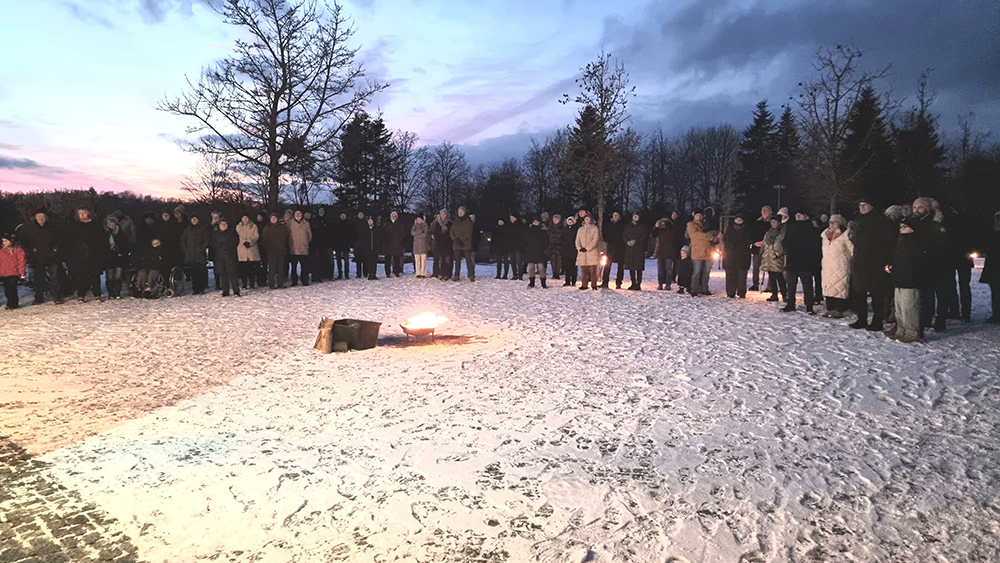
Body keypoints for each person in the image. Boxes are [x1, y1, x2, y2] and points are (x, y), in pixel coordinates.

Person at [849, 197, 897, 331]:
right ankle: (861, 319)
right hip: (860, 261)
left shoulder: (883, 221)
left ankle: (877, 321)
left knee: (877, 293)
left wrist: (886, 261)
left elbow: (890, 242)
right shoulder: (859, 221)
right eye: (860, 205)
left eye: (865, 205)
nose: (862, 208)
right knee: (859, 292)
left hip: (876, 262)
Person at [887, 218, 927, 343]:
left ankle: (911, 332)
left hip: (910, 280)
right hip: (899, 278)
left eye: (905, 227)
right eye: (901, 227)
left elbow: (918, 262)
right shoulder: (900, 241)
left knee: (909, 308)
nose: (902, 229)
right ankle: (901, 329)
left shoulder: (917, 242)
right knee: (899, 307)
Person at [18, 209, 62, 304]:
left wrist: (55, 249)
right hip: (37, 257)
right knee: (39, 279)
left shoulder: (54, 227)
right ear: (35, 217)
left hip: (52, 256)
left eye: (42, 216)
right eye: (38, 216)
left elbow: (60, 239)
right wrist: (31, 250)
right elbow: (24, 241)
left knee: (54, 277)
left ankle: (56, 296)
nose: (40, 218)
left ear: (46, 217)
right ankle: (39, 298)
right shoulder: (30, 228)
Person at [781, 210, 822, 314]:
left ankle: (809, 305)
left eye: (800, 215)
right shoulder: (792, 227)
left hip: (806, 261)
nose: (797, 216)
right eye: (797, 215)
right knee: (791, 284)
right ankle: (790, 303)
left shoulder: (811, 229)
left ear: (806, 217)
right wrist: (787, 250)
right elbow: (785, 242)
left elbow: (815, 245)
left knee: (807, 285)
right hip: (793, 259)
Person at [65, 208, 107, 302]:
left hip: (94, 254)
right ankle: (81, 295)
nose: (82, 215)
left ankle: (97, 294)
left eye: (84, 213)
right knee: (80, 276)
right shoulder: (75, 226)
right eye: (80, 213)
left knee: (94, 275)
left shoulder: (96, 225)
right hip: (79, 255)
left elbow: (102, 241)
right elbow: (70, 241)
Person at [820, 215, 854, 318]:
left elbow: (852, 250)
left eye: (835, 222)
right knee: (828, 287)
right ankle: (830, 309)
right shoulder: (825, 235)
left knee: (840, 287)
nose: (832, 224)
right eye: (831, 222)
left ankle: (839, 309)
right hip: (827, 265)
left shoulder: (846, 235)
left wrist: (845, 260)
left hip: (840, 266)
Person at [722, 213, 753, 298]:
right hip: (730, 255)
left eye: (740, 219)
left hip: (743, 255)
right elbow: (726, 240)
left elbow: (748, 240)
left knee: (742, 276)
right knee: (730, 275)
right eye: (737, 219)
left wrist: (743, 245)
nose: (739, 220)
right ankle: (730, 292)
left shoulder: (747, 229)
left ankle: (741, 292)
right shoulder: (729, 229)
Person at [686, 210, 715, 297]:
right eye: (697, 215)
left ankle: (704, 289)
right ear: (694, 216)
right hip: (697, 252)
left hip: (708, 251)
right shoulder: (691, 224)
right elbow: (694, 235)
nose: (699, 217)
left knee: (706, 272)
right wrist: (708, 236)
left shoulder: (706, 224)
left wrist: (712, 234)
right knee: (696, 271)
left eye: (700, 215)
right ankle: (694, 289)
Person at [210, 219, 240, 297]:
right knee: (223, 274)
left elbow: (235, 242)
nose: (223, 226)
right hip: (220, 256)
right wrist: (219, 246)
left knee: (232, 274)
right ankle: (225, 290)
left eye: (225, 224)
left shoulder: (232, 232)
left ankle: (236, 290)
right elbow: (212, 243)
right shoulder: (215, 233)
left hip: (230, 256)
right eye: (221, 224)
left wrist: (226, 246)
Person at [181, 215, 210, 294]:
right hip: (190, 254)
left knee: (201, 272)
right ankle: (195, 289)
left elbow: (206, 240)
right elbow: (183, 240)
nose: (194, 220)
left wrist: (202, 248)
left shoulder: (203, 228)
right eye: (192, 219)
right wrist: (186, 250)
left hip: (200, 254)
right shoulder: (187, 229)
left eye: (195, 219)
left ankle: (201, 288)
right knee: (193, 273)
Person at [760, 217, 787, 302]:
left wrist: (778, 253)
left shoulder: (782, 232)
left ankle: (784, 294)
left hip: (777, 257)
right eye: (771, 222)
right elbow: (764, 243)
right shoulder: (768, 232)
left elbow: (784, 244)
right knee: (771, 277)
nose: (772, 223)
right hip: (768, 257)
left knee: (779, 277)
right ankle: (774, 294)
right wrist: (762, 252)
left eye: (774, 222)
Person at [260, 213, 289, 289]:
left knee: (280, 268)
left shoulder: (282, 227)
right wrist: (268, 247)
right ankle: (271, 283)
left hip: (281, 250)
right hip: (271, 251)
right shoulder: (267, 227)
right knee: (272, 269)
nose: (273, 219)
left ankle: (280, 283)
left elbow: (286, 237)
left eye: (274, 218)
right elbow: (263, 239)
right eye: (272, 218)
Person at [104, 216, 130, 299]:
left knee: (118, 276)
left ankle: (117, 293)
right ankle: (111, 293)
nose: (111, 225)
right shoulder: (105, 234)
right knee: (109, 277)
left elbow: (125, 245)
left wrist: (122, 253)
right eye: (109, 223)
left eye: (112, 223)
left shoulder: (121, 234)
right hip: (108, 257)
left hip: (119, 257)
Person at [652, 216, 681, 291]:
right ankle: (660, 283)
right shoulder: (659, 230)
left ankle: (668, 284)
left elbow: (674, 238)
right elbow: (653, 234)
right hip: (661, 251)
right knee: (660, 269)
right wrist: (656, 227)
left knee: (668, 269)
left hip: (669, 252)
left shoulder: (671, 230)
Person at [982, 210, 1000, 324]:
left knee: (996, 292)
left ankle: (997, 314)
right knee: (995, 292)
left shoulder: (993, 235)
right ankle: (997, 314)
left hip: (995, 268)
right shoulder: (993, 235)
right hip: (994, 268)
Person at [622, 213, 649, 291]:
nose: (635, 217)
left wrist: (636, 241)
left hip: (639, 249)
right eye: (634, 216)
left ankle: (638, 283)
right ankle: (633, 282)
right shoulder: (628, 226)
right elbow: (624, 235)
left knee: (638, 267)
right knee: (631, 267)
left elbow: (644, 236)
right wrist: (627, 241)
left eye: (637, 216)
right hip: (630, 249)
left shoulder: (642, 226)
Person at [601, 211, 627, 289]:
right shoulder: (608, 225)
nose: (615, 217)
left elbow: (624, 235)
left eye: (617, 215)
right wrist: (609, 240)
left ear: (619, 217)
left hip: (620, 247)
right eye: (614, 215)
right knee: (607, 265)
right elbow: (604, 234)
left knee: (620, 266)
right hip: (611, 247)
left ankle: (618, 282)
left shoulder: (622, 225)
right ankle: (605, 282)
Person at [287, 210, 312, 286]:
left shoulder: (306, 223)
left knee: (304, 266)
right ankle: (294, 281)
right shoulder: (290, 223)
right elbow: (287, 235)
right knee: (293, 267)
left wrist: (305, 242)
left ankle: (305, 280)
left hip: (303, 248)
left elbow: (309, 235)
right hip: (293, 248)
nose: (298, 215)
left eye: (299, 213)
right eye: (296, 213)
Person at [0, 234, 26, 309]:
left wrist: (21, 272)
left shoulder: (18, 250)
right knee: (7, 289)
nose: (4, 243)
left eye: (6, 241)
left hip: (13, 273)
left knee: (12, 289)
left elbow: (21, 261)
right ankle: (10, 302)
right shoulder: (2, 251)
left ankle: (13, 303)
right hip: (4, 273)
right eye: (3, 241)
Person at [750, 206, 773, 291]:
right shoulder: (757, 222)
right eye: (763, 210)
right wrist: (754, 242)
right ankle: (755, 284)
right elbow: (753, 234)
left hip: (768, 248)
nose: (764, 212)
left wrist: (765, 242)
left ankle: (770, 286)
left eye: (766, 211)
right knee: (756, 266)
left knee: (770, 267)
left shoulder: (772, 222)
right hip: (758, 248)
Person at [575, 215, 601, 290]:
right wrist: (579, 248)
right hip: (582, 253)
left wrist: (587, 248)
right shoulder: (581, 229)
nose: (587, 220)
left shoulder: (595, 228)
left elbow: (595, 240)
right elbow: (577, 240)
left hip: (591, 252)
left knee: (593, 270)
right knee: (584, 270)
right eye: (585, 218)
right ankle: (584, 284)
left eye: (588, 218)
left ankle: (594, 284)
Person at [236, 214, 261, 290]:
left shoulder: (254, 226)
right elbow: (239, 236)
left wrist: (250, 242)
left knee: (251, 268)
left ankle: (252, 283)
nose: (245, 219)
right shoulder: (238, 227)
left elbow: (256, 236)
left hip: (251, 249)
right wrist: (244, 242)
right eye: (243, 217)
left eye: (246, 217)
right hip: (242, 249)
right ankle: (244, 283)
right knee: (243, 269)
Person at [450, 206, 475, 281]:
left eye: (461, 211)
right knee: (457, 261)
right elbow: (451, 231)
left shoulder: (468, 221)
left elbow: (468, 232)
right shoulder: (455, 221)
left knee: (468, 260)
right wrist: (455, 239)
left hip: (465, 243)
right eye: (459, 211)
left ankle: (471, 275)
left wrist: (461, 239)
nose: (460, 213)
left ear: (464, 212)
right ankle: (456, 275)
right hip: (456, 243)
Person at [524, 217, 549, 288]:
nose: (535, 223)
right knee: (531, 268)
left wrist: (543, 249)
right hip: (530, 251)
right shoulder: (528, 232)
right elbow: (524, 241)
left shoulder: (543, 232)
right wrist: (526, 249)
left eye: (537, 222)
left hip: (540, 252)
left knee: (541, 268)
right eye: (534, 221)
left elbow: (546, 242)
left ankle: (543, 283)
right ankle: (532, 283)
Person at [384, 211, 407, 277]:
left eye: (395, 216)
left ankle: (396, 272)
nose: (393, 217)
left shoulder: (400, 224)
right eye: (392, 215)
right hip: (388, 244)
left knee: (396, 259)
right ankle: (387, 273)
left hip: (397, 244)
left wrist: (399, 240)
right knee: (387, 259)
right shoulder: (387, 224)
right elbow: (384, 234)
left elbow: (403, 234)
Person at [431, 211, 452, 280]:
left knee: (447, 260)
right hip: (439, 244)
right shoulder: (437, 223)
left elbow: (451, 233)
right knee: (441, 259)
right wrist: (437, 238)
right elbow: (435, 232)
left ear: (446, 215)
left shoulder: (449, 223)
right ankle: (442, 273)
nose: (443, 215)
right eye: (441, 214)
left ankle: (447, 274)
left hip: (447, 244)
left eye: (444, 214)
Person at [332, 212, 353, 279]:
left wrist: (349, 242)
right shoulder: (336, 224)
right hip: (338, 245)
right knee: (338, 260)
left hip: (346, 245)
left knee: (346, 260)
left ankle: (347, 274)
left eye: (344, 215)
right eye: (342, 215)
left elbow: (351, 234)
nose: (343, 216)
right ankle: (340, 273)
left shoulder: (348, 224)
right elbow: (334, 235)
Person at [506, 214, 525, 280]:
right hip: (511, 246)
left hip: (518, 246)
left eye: (512, 217)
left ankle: (520, 275)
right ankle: (515, 274)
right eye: (510, 218)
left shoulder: (520, 226)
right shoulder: (509, 226)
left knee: (519, 261)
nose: (511, 219)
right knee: (512, 261)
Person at [561, 216, 579, 287]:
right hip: (566, 250)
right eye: (569, 221)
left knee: (573, 266)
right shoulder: (564, 230)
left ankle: (574, 280)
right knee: (567, 266)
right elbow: (562, 239)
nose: (570, 223)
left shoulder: (576, 229)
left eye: (571, 221)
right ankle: (567, 281)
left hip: (574, 250)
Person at [547, 214, 564, 280]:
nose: (555, 220)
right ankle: (554, 273)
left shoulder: (562, 227)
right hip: (552, 246)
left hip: (559, 246)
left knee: (559, 260)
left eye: (557, 219)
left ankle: (557, 273)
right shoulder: (550, 227)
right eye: (554, 219)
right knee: (553, 260)